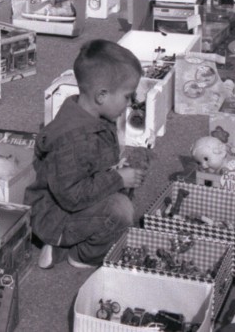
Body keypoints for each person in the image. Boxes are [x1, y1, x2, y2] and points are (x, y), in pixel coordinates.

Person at [25, 39, 146, 269]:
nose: (130, 104)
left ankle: (63, 241)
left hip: (64, 206)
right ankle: (80, 253)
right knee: (121, 211)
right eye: (127, 96)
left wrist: (117, 172)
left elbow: (90, 168)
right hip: (55, 216)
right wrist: (117, 178)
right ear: (102, 95)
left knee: (123, 193)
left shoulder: (89, 114)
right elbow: (73, 196)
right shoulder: (75, 139)